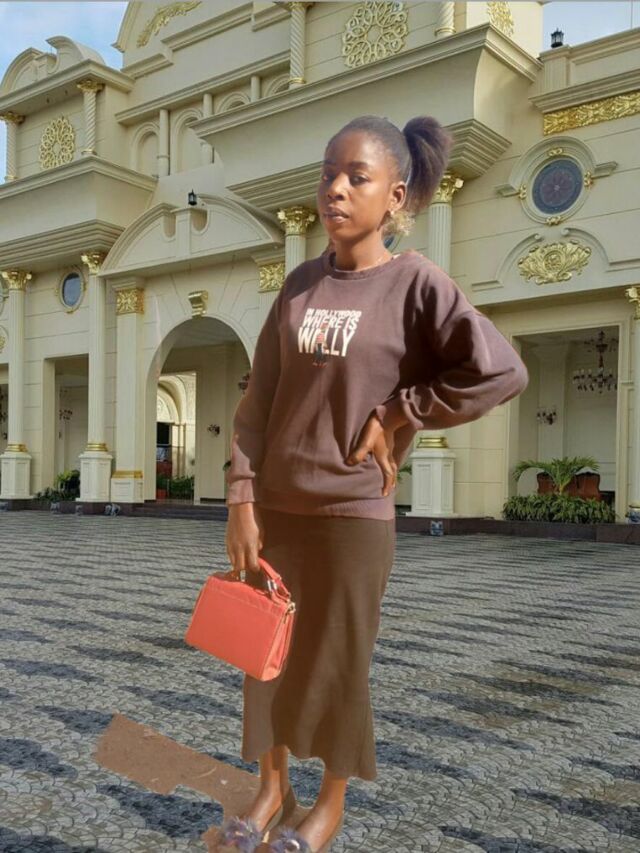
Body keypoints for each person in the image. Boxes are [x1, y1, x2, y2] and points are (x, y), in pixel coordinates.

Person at [220, 114, 529, 853]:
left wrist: (403, 411)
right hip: (276, 510)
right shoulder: (299, 286)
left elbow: (500, 370)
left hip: (355, 515)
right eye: (328, 173)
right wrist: (241, 496)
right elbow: (258, 400)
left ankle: (329, 803)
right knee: (262, 659)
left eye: (356, 177)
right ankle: (272, 788)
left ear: (394, 196)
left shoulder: (415, 283)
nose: (335, 189)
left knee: (340, 664)